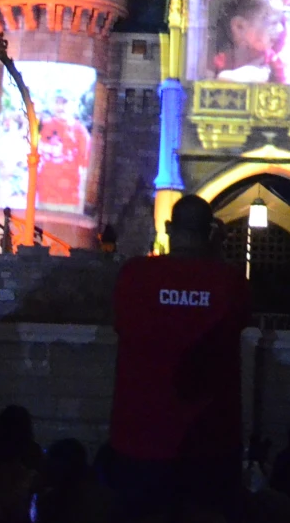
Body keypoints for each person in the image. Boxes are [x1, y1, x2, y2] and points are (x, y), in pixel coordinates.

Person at [104, 193, 252, 520]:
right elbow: (239, 315)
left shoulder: (135, 276)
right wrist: (215, 253)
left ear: (168, 227)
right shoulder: (230, 282)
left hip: (140, 441)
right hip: (211, 444)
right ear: (211, 231)